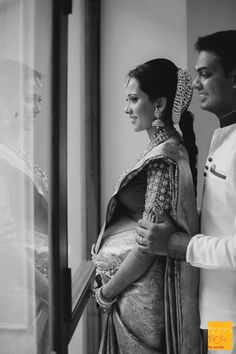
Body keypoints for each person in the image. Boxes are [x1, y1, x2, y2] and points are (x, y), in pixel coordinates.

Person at [136, 30, 236, 354]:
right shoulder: (223, 137)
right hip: (218, 315)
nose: (194, 84)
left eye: (205, 74)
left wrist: (178, 245)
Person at [92, 58, 201, 353]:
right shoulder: (161, 147)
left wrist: (107, 292)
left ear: (159, 104)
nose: (126, 109)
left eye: (133, 99)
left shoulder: (163, 158)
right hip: (137, 294)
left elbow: (149, 245)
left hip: (142, 300)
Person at [0, 59, 49, 354]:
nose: (39, 109)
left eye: (40, 100)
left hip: (33, 293)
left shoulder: (15, 151)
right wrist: (49, 291)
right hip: (15, 298)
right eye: (31, 99)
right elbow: (3, 244)